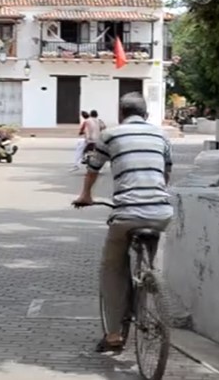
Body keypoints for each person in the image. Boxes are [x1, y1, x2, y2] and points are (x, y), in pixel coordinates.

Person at [73, 92, 174, 353]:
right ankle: (150, 279)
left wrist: (86, 196)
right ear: (146, 115)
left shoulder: (111, 135)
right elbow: (166, 173)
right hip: (161, 211)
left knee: (112, 267)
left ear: (121, 114)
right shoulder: (161, 136)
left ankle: (114, 334)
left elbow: (93, 168)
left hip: (127, 213)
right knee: (150, 251)